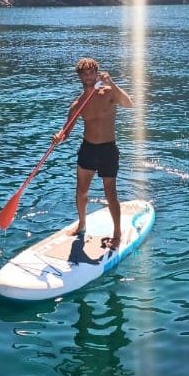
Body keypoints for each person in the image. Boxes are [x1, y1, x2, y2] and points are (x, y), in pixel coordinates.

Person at [52, 57, 133, 248]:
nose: (88, 76)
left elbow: (128, 103)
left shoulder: (109, 94)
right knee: (81, 192)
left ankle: (117, 233)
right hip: (88, 149)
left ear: (96, 73)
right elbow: (66, 131)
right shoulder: (77, 104)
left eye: (91, 73)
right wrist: (58, 136)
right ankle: (81, 224)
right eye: (84, 74)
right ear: (80, 77)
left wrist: (111, 83)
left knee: (110, 194)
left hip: (108, 150)